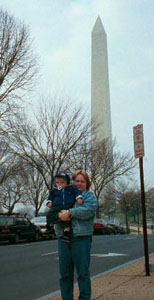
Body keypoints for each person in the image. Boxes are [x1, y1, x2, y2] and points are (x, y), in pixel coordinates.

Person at [55, 170, 98, 300]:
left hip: (81, 238)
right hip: (63, 238)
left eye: (82, 181)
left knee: (83, 273)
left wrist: (70, 212)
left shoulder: (89, 196)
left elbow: (88, 210)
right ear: (72, 182)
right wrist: (58, 215)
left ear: (86, 183)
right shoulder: (63, 195)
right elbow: (51, 211)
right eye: (77, 181)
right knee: (65, 275)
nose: (79, 183)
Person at [46, 172, 83, 241]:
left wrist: (79, 198)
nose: (59, 184)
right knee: (50, 214)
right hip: (57, 205)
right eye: (57, 182)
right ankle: (49, 226)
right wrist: (49, 202)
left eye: (62, 182)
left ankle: (66, 230)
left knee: (66, 216)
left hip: (67, 205)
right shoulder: (55, 190)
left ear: (67, 183)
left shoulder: (71, 188)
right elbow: (50, 197)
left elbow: (77, 192)